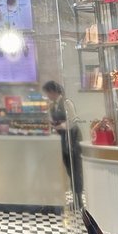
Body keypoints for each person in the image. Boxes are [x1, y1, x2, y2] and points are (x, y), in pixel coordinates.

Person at [43, 80, 84, 209]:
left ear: (53, 91)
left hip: (72, 140)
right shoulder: (52, 106)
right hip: (63, 141)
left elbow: (74, 120)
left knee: (75, 171)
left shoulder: (66, 103)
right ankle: (75, 200)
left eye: (48, 93)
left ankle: (78, 200)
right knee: (69, 171)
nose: (47, 95)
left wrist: (61, 126)